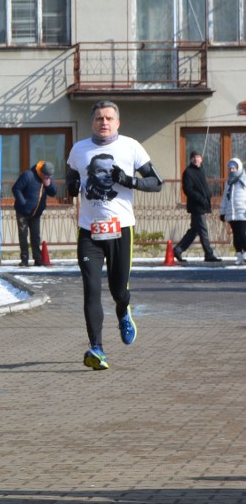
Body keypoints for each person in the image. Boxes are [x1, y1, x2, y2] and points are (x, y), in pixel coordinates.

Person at [66, 100, 162, 371]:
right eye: (99, 118)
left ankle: (123, 310)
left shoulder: (131, 147)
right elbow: (71, 178)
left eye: (109, 118)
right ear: (92, 122)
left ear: (117, 123)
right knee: (92, 289)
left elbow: (156, 182)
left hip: (121, 230)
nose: (104, 122)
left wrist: (129, 181)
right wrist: (71, 186)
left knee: (118, 289)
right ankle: (97, 348)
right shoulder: (79, 149)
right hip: (89, 232)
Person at [174, 151, 221, 262]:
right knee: (203, 230)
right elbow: (188, 190)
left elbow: (203, 187)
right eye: (194, 157)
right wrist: (200, 198)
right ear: (191, 159)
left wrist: (208, 195)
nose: (196, 159)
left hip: (203, 204)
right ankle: (209, 254)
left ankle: (178, 249)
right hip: (196, 206)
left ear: (201, 159)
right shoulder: (188, 172)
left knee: (194, 231)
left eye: (198, 157)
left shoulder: (201, 170)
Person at [12, 160, 57, 267]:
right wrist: (23, 202)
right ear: (41, 172)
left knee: (35, 236)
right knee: (23, 235)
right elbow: (16, 188)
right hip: (23, 212)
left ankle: (38, 259)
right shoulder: (28, 175)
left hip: (36, 213)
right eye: (46, 176)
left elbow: (53, 192)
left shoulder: (47, 178)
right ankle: (24, 259)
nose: (47, 178)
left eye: (49, 176)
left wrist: (48, 185)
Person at [220, 157, 246, 266]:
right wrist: (223, 212)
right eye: (230, 168)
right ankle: (239, 255)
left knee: (242, 235)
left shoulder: (244, 180)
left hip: (243, 212)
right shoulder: (228, 182)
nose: (232, 170)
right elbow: (226, 197)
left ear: (239, 168)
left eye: (234, 168)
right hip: (232, 213)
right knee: (236, 236)